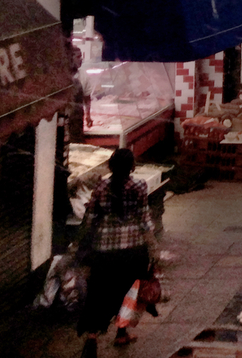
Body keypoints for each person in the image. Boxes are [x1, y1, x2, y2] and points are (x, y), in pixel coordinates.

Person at [76, 148, 158, 355]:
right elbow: (144, 219)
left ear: (111, 166)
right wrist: (153, 246)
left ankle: (92, 336)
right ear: (132, 167)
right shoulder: (139, 186)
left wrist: (80, 243)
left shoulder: (101, 187)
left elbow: (89, 218)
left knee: (98, 292)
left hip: (104, 251)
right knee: (128, 293)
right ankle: (121, 333)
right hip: (133, 250)